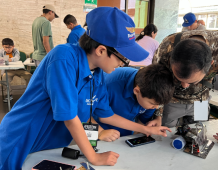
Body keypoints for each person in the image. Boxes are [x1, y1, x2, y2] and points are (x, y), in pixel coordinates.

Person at [0, 7, 171, 170]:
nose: (122, 64)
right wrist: (94, 157)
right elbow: (69, 117)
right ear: (101, 50)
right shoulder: (63, 58)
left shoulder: (97, 74)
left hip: (52, 146)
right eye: (123, 59)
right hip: (22, 139)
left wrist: (147, 129)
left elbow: (107, 115)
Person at [152, 30, 218, 148]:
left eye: (192, 81)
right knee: (164, 141)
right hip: (171, 101)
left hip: (200, 101)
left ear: (210, 64)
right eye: (178, 78)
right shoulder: (166, 48)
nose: (184, 85)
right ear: (171, 59)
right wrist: (158, 114)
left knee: (198, 140)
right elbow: (158, 82)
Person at [90, 64, 174, 141]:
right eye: (153, 104)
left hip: (124, 135)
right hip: (98, 131)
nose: (156, 107)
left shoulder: (151, 94)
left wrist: (145, 128)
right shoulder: (108, 84)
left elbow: (142, 122)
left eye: (158, 104)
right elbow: (85, 115)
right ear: (136, 91)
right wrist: (100, 132)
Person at [0, 38, 32, 103]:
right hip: (8, 70)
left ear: (13, 46)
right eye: (5, 47)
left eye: (9, 47)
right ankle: (9, 95)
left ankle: (29, 94)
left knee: (29, 77)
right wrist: (4, 59)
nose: (7, 49)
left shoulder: (15, 50)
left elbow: (17, 57)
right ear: (3, 46)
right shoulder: (1, 51)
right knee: (4, 79)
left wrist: (10, 59)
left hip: (19, 69)